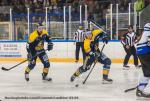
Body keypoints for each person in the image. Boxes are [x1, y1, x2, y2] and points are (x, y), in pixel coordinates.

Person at [136, 23, 150, 97]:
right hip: (145, 53)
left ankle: (139, 90)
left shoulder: (145, 32)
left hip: (140, 53)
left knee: (147, 74)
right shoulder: (148, 32)